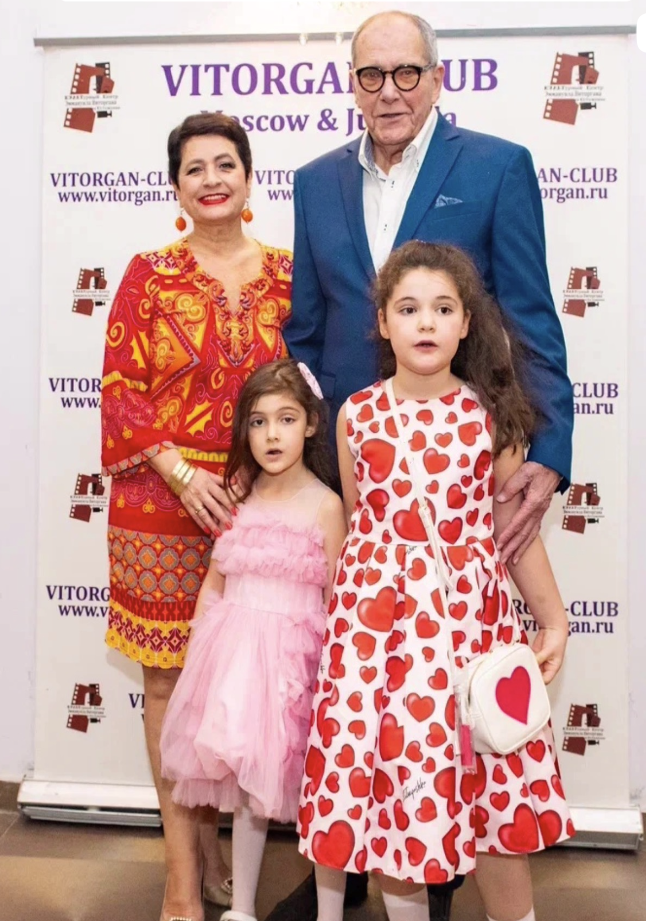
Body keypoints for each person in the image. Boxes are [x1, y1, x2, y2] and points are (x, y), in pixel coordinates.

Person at [298, 241, 573, 921]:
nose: (426, 322)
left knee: (493, 792)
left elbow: (512, 533)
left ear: (467, 324)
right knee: (400, 799)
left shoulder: (488, 418)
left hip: (469, 631)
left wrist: (554, 618)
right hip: (380, 643)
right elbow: (360, 526)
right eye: (409, 308)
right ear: (382, 323)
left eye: (444, 309)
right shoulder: (356, 414)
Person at [285, 10, 573, 574]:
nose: (389, 91)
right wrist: (311, 444)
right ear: (353, 84)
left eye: (407, 73)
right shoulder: (314, 182)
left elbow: (531, 321)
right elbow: (306, 332)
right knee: (354, 612)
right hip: (348, 461)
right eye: (372, 75)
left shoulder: (498, 168)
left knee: (454, 612)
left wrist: (551, 446)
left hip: (459, 461)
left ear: (437, 80)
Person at [100, 113, 293, 921]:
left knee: (237, 684)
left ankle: (217, 849)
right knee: (168, 683)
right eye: (194, 168)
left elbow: (307, 384)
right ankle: (181, 876)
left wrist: (254, 470)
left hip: (262, 503)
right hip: (160, 505)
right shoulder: (149, 274)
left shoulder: (290, 274)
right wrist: (182, 474)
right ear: (175, 187)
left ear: (249, 178)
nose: (211, 179)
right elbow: (121, 388)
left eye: (225, 164)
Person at [159, 359, 347, 921]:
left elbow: (338, 595)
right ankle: (241, 907)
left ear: (310, 424)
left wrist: (339, 676)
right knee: (246, 791)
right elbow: (215, 582)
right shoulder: (238, 498)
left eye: (286, 419)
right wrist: (200, 659)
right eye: (259, 421)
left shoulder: (326, 505)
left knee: (322, 794)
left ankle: (330, 913)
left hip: (297, 671)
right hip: (238, 666)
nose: (271, 435)